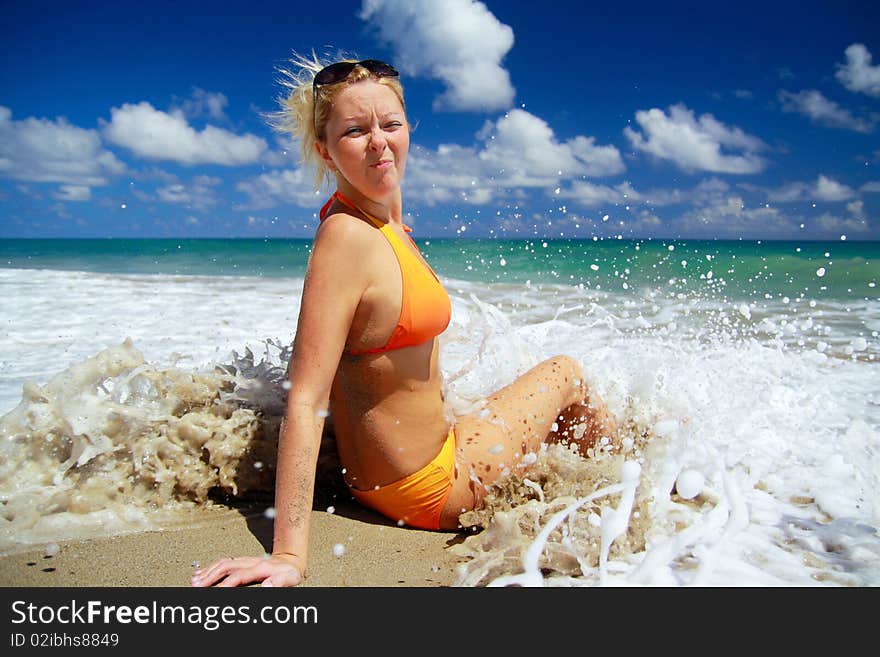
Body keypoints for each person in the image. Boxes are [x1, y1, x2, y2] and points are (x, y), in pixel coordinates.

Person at [191, 53, 619, 588]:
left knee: (548, 407)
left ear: (408, 130)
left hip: (403, 474)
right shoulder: (345, 238)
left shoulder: (386, 221)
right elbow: (305, 397)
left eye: (391, 125)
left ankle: (609, 492)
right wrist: (288, 556)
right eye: (354, 131)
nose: (378, 142)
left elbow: (387, 180)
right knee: (567, 372)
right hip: (432, 487)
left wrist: (382, 165)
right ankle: (633, 498)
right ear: (324, 151)